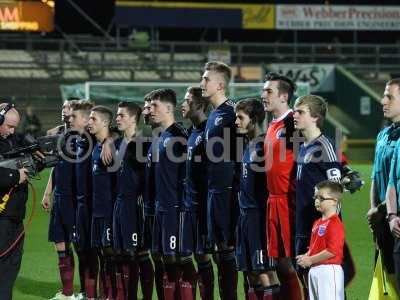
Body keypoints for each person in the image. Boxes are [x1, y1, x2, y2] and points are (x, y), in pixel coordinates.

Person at [261, 72, 303, 299]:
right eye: (263, 90)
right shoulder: (273, 125)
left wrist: (341, 168)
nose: (263, 95)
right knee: (280, 263)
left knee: (296, 263)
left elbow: (315, 145)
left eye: (269, 91)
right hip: (273, 201)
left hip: (289, 201)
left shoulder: (292, 123)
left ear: (284, 96)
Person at [293, 95, 342, 284]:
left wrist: (330, 230)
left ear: (315, 117)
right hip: (304, 225)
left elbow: (336, 191)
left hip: (320, 230)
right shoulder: (304, 147)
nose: (295, 115)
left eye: (300, 112)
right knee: (307, 281)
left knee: (327, 283)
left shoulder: (325, 146)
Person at [200, 61, 238, 300]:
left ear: (220, 84)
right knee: (219, 250)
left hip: (228, 190)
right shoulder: (214, 114)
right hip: (214, 189)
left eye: (206, 79)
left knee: (228, 249)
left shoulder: (232, 112)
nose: (201, 83)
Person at [234, 98, 279, 300]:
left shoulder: (264, 146)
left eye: (241, 117)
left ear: (253, 119)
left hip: (259, 217)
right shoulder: (249, 144)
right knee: (251, 272)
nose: (236, 122)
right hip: (245, 216)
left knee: (265, 271)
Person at [149, 88, 188, 299]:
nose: (150, 110)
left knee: (176, 259)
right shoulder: (161, 136)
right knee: (162, 258)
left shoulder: (179, 136)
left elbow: (187, 174)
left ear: (168, 108)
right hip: (160, 207)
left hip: (175, 207)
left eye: (154, 106)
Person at [42, 99, 80, 300]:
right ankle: (67, 293)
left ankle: (86, 292)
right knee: (60, 244)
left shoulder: (83, 138)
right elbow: (56, 167)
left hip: (76, 199)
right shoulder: (59, 135)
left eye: (68, 107)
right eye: (62, 107)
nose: (64, 110)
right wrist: (48, 192)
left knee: (81, 248)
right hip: (60, 197)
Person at [180, 87, 214, 299]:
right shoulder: (191, 132)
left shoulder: (209, 132)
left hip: (205, 204)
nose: (182, 104)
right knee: (195, 256)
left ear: (200, 105)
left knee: (209, 256)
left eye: (187, 100)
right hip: (190, 204)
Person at [113, 101, 148, 299]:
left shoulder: (142, 143)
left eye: (121, 115)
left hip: (135, 205)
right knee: (122, 254)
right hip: (120, 204)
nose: (117, 118)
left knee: (135, 255)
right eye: (117, 115)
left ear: (133, 119)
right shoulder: (119, 143)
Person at [367, 78, 400, 277]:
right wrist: (374, 211)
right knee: (384, 278)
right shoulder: (383, 135)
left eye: (389, 96)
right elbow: (376, 175)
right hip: (384, 218)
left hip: (394, 218)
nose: (382, 101)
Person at [87, 106, 119, 299]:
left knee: (111, 255)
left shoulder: (114, 145)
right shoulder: (97, 145)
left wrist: (111, 139)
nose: (89, 122)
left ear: (105, 122)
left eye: (93, 119)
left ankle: (114, 295)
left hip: (109, 210)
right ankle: (103, 295)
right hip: (96, 210)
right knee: (100, 254)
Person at [69, 100, 99, 300]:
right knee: (81, 250)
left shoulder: (97, 142)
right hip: (79, 205)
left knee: (96, 253)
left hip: (94, 206)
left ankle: (100, 293)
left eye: (74, 117)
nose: (69, 119)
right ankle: (86, 293)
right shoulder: (78, 141)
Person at [296, 180, 345, 300]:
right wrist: (306, 255)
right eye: (315, 197)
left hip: (329, 270)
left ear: (334, 201)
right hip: (315, 270)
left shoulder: (335, 223)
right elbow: (315, 247)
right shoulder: (317, 223)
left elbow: (332, 250)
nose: (317, 201)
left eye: (321, 198)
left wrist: (310, 260)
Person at [0, 103, 29, 300]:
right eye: (9, 126)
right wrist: (14, 176)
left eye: (15, 127)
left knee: (11, 266)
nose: (12, 131)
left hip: (15, 215)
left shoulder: (11, 141)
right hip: (2, 217)